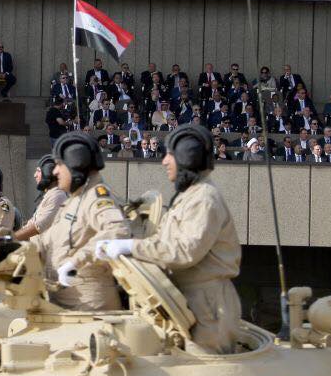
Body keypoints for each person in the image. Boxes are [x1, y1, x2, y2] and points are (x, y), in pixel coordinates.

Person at [93, 125, 242, 354]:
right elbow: (163, 241)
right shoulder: (190, 196)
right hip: (189, 300)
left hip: (208, 306)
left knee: (203, 369)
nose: (164, 162)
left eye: (169, 155)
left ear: (187, 156)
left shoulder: (204, 199)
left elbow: (184, 252)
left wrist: (130, 246)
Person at [39, 132, 130, 312]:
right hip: (63, 304)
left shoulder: (96, 197)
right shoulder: (74, 200)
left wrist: (76, 262)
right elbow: (48, 240)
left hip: (90, 308)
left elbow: (118, 231)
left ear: (76, 163)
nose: (55, 172)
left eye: (59, 165)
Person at [13, 155, 67, 241]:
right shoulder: (50, 194)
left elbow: (37, 227)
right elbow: (31, 223)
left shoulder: (57, 196)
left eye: (38, 171)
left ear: (48, 172)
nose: (35, 175)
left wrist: (11, 238)